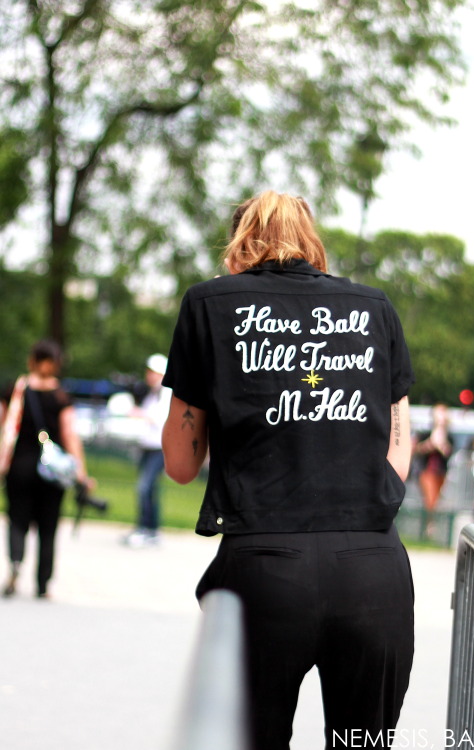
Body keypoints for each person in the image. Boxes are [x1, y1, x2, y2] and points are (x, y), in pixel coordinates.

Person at [161, 191, 415, 750]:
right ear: (312, 239)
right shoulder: (375, 308)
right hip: (372, 568)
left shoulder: (209, 304)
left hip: (264, 567)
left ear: (238, 241)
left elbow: (180, 464)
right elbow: (399, 443)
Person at [0, 339, 91, 598]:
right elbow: (70, 434)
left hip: (20, 466)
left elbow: (5, 426)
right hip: (52, 471)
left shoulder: (14, 390)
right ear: (55, 364)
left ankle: (16, 564)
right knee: (48, 526)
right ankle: (43, 584)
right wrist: (81, 471)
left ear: (32, 360)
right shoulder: (61, 396)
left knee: (17, 519)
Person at [121, 354, 171, 547]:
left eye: (153, 372)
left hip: (159, 449)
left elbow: (158, 418)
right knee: (150, 490)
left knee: (144, 487)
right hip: (148, 447)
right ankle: (150, 529)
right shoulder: (152, 393)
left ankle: (146, 529)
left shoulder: (166, 393)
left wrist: (137, 413)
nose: (148, 376)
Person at [413, 403, 453, 536]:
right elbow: (418, 449)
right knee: (430, 498)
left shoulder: (449, 436)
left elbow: (448, 452)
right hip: (427, 471)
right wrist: (431, 444)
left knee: (436, 500)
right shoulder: (426, 433)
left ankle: (430, 526)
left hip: (441, 472)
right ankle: (429, 527)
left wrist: (441, 444)